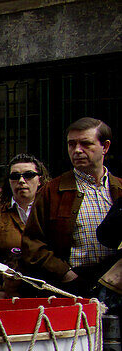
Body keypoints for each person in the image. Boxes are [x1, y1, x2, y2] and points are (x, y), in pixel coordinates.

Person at [23, 117, 121, 296]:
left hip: (116, 287)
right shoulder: (52, 191)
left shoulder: (119, 189)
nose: (77, 150)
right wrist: (65, 274)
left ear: (105, 147)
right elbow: (32, 244)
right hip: (73, 286)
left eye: (86, 144)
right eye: (71, 144)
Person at [0, 154, 50, 299]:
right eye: (15, 176)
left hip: (47, 291)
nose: (21, 181)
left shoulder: (52, 211)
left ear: (40, 180)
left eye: (28, 175)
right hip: (9, 294)